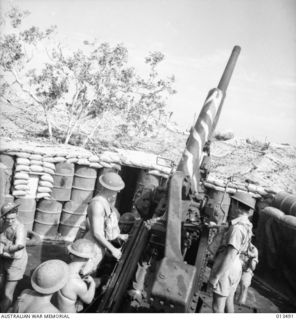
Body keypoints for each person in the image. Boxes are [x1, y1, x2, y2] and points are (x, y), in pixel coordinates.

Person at [209, 191, 255, 313]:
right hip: (237, 267)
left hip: (227, 269)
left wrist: (216, 276)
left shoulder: (237, 229)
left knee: (217, 307)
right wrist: (217, 226)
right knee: (229, 302)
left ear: (236, 205)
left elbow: (230, 256)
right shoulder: (246, 224)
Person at [82, 171, 128, 275]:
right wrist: (113, 250)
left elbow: (104, 227)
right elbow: (97, 233)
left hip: (99, 246)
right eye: (116, 189)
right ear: (109, 188)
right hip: (92, 246)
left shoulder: (105, 202)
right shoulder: (97, 204)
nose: (119, 191)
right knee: (85, 274)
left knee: (92, 273)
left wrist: (119, 236)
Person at [0, 202, 28, 312]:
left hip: (16, 263)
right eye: (7, 219)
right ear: (3, 217)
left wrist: (3, 251)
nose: (10, 221)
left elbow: (18, 254)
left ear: (16, 214)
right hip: (3, 259)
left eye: (13, 218)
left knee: (7, 293)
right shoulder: (2, 223)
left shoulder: (20, 228)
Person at [55, 239, 96, 313]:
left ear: (71, 255)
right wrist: (93, 283)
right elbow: (88, 300)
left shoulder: (60, 268)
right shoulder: (79, 284)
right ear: (87, 259)